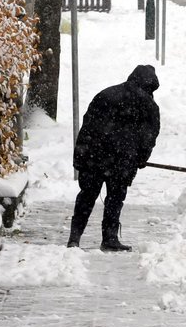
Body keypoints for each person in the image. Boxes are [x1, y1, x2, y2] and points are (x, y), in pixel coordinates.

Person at [67, 65, 161, 251]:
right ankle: (109, 239)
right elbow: (149, 137)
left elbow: (87, 127)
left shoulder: (106, 95)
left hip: (95, 157)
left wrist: (80, 156)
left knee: (86, 197)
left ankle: (74, 238)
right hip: (122, 161)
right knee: (115, 199)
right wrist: (141, 158)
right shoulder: (149, 106)